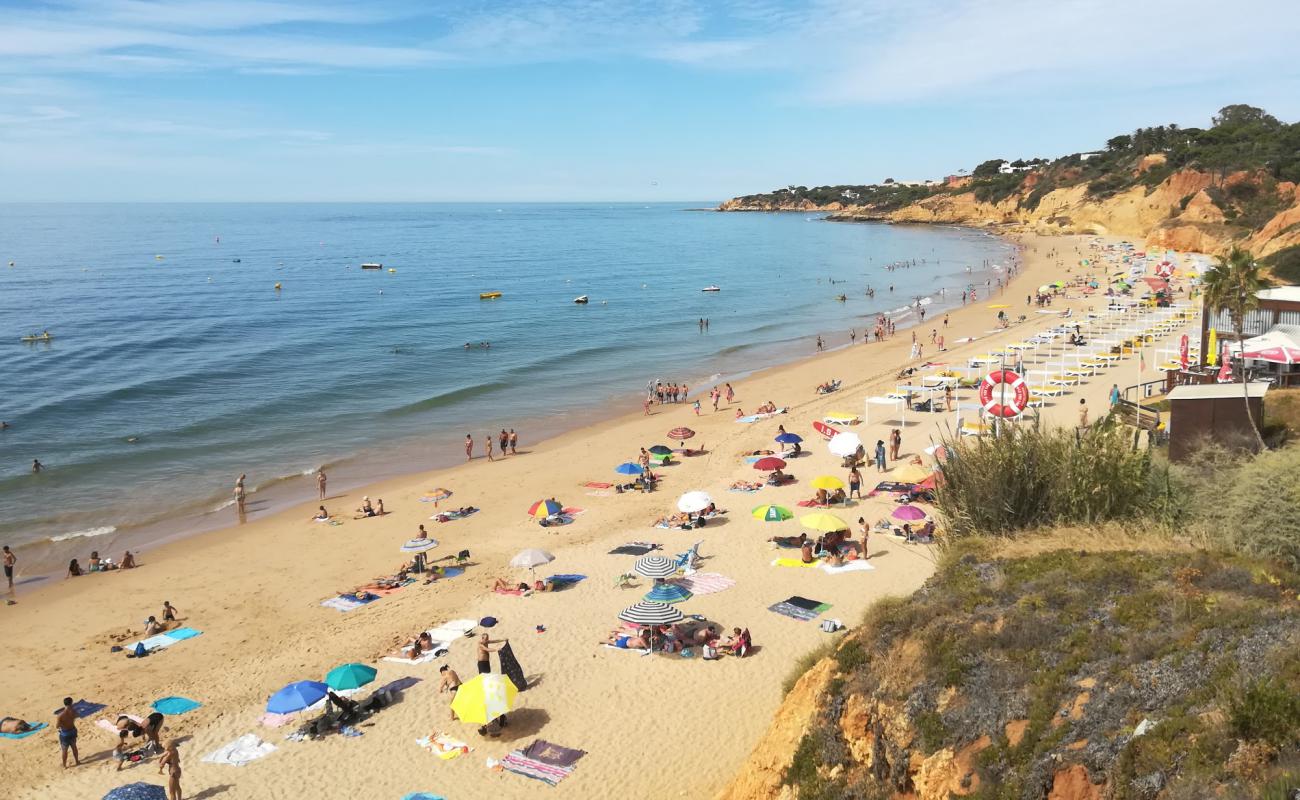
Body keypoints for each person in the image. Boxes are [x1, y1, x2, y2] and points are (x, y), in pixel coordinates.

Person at [56, 697, 80, 768]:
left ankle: (64, 765)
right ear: (71, 703)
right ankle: (77, 761)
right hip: (72, 731)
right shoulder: (74, 711)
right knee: (74, 747)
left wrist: (63, 726)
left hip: (65, 733)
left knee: (64, 750)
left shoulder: (60, 715)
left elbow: (57, 726)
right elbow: (78, 715)